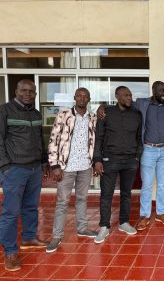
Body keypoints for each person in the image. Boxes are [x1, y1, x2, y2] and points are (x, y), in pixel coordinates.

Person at [0, 79, 49, 271]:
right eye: (24, 90)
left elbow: (40, 140)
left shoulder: (35, 113)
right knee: (11, 212)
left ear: (35, 94)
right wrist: (5, 167)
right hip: (15, 169)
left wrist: (44, 161)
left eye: (32, 91)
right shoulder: (4, 111)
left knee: (30, 207)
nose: (28, 94)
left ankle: (28, 237)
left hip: (34, 168)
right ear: (16, 91)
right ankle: (10, 251)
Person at [46, 88, 98, 253]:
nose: (82, 99)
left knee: (82, 198)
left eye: (85, 96)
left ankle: (82, 228)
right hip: (66, 167)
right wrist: (54, 166)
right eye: (79, 96)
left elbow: (96, 141)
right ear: (75, 98)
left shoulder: (93, 117)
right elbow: (53, 139)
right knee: (62, 202)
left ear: (89, 99)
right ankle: (57, 235)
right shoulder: (64, 114)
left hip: (85, 166)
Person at [93, 86, 142, 244]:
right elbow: (99, 138)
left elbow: (139, 137)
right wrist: (98, 160)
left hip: (130, 160)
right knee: (106, 194)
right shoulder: (106, 113)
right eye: (125, 95)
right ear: (117, 96)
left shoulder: (136, 114)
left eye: (130, 95)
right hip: (110, 159)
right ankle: (104, 226)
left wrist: (137, 157)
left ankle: (123, 222)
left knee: (126, 194)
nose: (129, 98)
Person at [136, 81, 164, 230]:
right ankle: (144, 215)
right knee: (146, 184)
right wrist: (103, 107)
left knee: (162, 184)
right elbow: (124, 106)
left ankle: (161, 212)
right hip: (148, 149)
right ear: (153, 90)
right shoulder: (142, 103)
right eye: (161, 90)